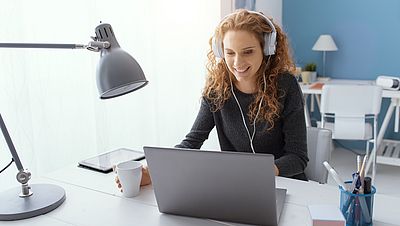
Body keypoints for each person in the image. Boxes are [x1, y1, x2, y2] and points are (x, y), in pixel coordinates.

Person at [116, 9, 308, 190]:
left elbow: (297, 157)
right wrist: (154, 172)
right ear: (220, 52)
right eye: (230, 53)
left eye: (248, 51)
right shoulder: (218, 88)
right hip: (237, 188)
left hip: (286, 185)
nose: (237, 62)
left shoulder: (286, 85)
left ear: (266, 49)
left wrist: (262, 173)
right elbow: (192, 142)